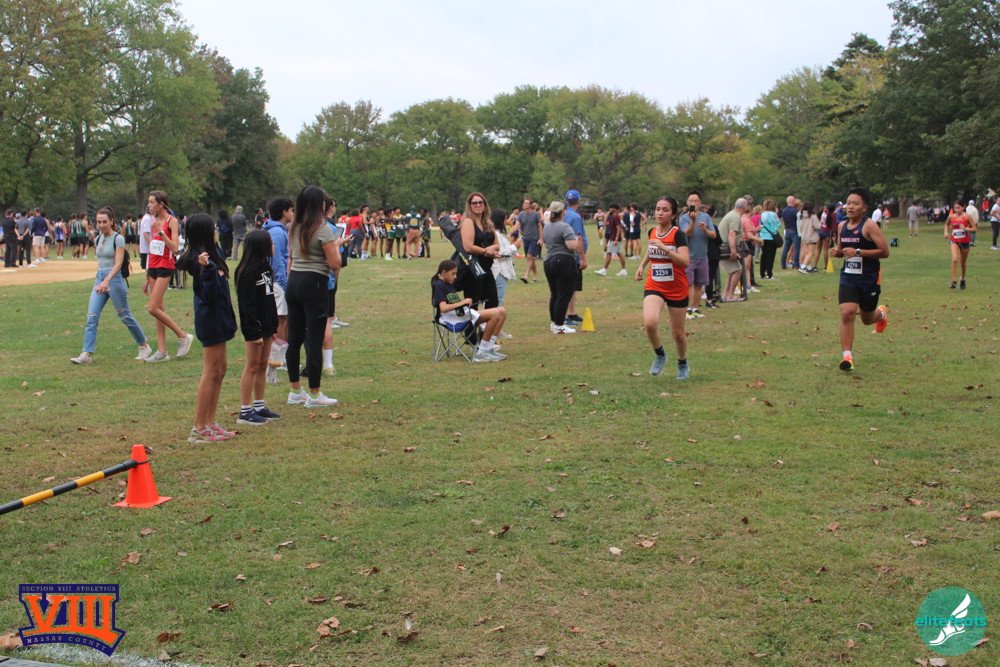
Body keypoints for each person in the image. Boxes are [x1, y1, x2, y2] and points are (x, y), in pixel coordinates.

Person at [176, 214, 238, 443]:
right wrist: (208, 269)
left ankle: (210, 423)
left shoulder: (214, 253)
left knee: (220, 370)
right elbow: (209, 295)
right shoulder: (199, 261)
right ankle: (199, 428)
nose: (216, 230)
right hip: (210, 320)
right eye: (212, 228)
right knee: (211, 371)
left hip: (220, 318)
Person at [69, 207, 151, 365]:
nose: (101, 225)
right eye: (99, 222)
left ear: (111, 221)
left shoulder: (118, 239)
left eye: (104, 222)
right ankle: (86, 353)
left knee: (125, 316)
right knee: (91, 316)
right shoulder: (98, 238)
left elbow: (118, 263)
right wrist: (102, 279)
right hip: (100, 278)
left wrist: (107, 280)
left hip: (114, 280)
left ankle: (144, 346)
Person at [285, 185, 342, 408]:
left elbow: (293, 255)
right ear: (321, 204)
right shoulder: (323, 228)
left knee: (294, 339)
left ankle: (295, 391)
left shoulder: (294, 226)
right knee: (314, 339)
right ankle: (315, 394)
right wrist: (336, 245)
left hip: (294, 281)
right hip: (314, 283)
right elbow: (334, 263)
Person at [830, 186, 889, 372]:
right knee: (847, 313)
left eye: (855, 203)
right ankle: (847, 357)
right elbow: (843, 251)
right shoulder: (842, 226)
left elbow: (884, 252)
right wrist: (838, 253)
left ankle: (881, 314)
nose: (850, 207)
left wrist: (858, 252)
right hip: (848, 277)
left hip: (869, 278)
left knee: (867, 318)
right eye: (848, 203)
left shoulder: (869, 226)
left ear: (864, 207)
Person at [635, 196, 691, 379]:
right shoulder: (652, 231)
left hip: (676, 287)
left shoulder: (677, 234)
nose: (660, 213)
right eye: (658, 209)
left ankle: (682, 363)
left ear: (673, 214)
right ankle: (660, 355)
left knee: (678, 334)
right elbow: (651, 249)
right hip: (655, 284)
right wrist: (642, 265)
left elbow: (685, 262)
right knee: (650, 323)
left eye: (665, 210)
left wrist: (665, 248)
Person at [234, 230, 282, 425]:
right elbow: (247, 305)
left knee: (263, 365)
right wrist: (254, 331)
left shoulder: (266, 269)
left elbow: (269, 300)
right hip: (254, 328)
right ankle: (245, 411)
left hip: (268, 325)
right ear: (260, 246)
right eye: (270, 243)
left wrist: (273, 325)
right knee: (252, 365)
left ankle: (259, 406)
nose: (273, 246)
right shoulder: (247, 272)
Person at [143, 190, 194, 362]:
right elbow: (153, 246)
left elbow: (174, 247)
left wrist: (160, 231)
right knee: (159, 309)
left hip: (165, 266)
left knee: (152, 308)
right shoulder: (153, 221)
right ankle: (162, 351)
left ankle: (183, 336)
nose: (149, 205)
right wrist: (146, 275)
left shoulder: (172, 221)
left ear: (161, 204)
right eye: (149, 202)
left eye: (152, 202)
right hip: (153, 266)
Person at [432, 259, 507, 362]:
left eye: (456, 273)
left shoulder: (448, 283)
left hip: (461, 314)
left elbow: (453, 302)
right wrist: (463, 302)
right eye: (453, 274)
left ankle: (488, 348)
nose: (455, 277)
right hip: (451, 319)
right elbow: (443, 308)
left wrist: (464, 304)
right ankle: (481, 352)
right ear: (444, 272)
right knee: (495, 314)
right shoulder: (439, 285)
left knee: (502, 311)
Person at [542, 200, 583, 334]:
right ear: (563, 211)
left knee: (555, 294)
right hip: (563, 261)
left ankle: (554, 323)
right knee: (564, 294)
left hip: (548, 261)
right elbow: (571, 245)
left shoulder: (547, 226)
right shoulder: (565, 227)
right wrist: (577, 243)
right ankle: (560, 325)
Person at [458, 192, 500, 309]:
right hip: (473, 269)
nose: (478, 205)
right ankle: (472, 322)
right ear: (469, 206)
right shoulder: (468, 222)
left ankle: (486, 321)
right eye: (474, 203)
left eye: (480, 202)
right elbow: (468, 247)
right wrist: (486, 252)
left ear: (485, 205)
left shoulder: (488, 223)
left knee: (493, 302)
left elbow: (497, 245)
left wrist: (492, 248)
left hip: (486, 268)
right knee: (473, 304)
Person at [678, 190, 717, 319]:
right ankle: (687, 309)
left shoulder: (706, 217)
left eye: (696, 201)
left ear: (700, 203)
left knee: (699, 284)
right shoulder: (683, 218)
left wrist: (705, 229)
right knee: (688, 284)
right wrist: (693, 221)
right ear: (687, 202)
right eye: (691, 200)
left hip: (703, 256)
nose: (693, 203)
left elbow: (713, 235)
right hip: (689, 257)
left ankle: (696, 308)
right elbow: (687, 233)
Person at [264, 197, 293, 344]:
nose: (293, 214)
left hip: (277, 280)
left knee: (284, 317)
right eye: (292, 210)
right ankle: (279, 353)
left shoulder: (278, 230)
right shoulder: (277, 232)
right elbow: (276, 260)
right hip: (277, 281)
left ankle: (284, 351)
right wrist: (283, 282)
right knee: (280, 318)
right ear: (284, 212)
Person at [717, 199, 744, 302]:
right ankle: (730, 295)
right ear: (745, 207)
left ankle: (726, 294)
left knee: (732, 271)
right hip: (725, 248)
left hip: (722, 246)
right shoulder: (735, 217)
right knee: (737, 270)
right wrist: (733, 251)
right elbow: (732, 234)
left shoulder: (732, 214)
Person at [945, 201, 976, 289]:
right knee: (954, 259)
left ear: (963, 207)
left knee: (963, 263)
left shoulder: (967, 216)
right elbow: (946, 224)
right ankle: (954, 281)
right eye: (955, 208)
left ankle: (962, 279)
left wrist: (966, 228)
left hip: (965, 241)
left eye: (958, 208)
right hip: (954, 240)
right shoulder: (951, 216)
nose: (956, 209)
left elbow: (974, 228)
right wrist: (946, 232)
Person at [513, 198, 541, 283]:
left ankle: (526, 276)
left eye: (526, 203)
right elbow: (518, 224)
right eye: (524, 203)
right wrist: (512, 233)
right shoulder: (521, 214)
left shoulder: (535, 214)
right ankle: (535, 276)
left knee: (529, 256)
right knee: (530, 258)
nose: (524, 204)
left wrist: (541, 239)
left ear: (530, 205)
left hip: (534, 238)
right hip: (526, 238)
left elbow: (540, 226)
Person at [595, 203, 627, 276]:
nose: (609, 209)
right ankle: (624, 270)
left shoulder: (616, 216)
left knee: (609, 253)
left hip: (614, 237)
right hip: (614, 237)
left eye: (611, 208)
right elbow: (607, 223)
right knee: (619, 253)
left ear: (615, 209)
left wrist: (616, 239)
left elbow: (618, 228)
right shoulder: (613, 216)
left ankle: (604, 270)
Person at [797, 202, 821, 273]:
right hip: (811, 236)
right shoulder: (813, 216)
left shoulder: (801, 216)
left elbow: (800, 226)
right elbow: (817, 226)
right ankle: (803, 267)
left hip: (804, 236)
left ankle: (809, 267)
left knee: (806, 253)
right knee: (811, 253)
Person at [780, 195, 801, 269]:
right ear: (793, 202)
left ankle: (783, 264)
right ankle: (796, 264)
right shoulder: (796, 211)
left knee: (786, 248)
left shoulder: (784, 211)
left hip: (787, 230)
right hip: (794, 230)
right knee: (796, 248)